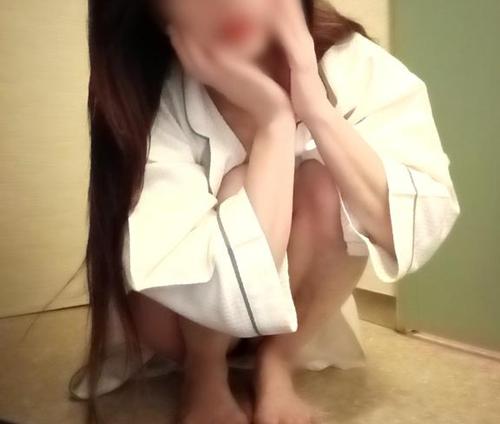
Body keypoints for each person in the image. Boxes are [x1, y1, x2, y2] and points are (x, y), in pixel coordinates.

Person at [70, 0, 460, 423]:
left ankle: (275, 366)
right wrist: (274, 120)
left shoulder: (349, 63)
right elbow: (187, 273)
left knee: (330, 184)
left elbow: (412, 221)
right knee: (239, 184)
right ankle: (204, 375)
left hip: (291, 309)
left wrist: (315, 107)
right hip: (174, 324)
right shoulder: (152, 95)